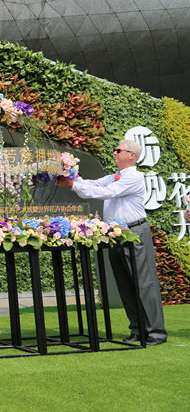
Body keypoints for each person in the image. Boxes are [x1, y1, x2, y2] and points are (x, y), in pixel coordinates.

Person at [58, 140, 167, 345]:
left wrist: (74, 184)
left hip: (134, 231)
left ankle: (156, 332)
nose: (114, 153)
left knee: (144, 283)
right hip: (115, 234)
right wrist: (72, 179)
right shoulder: (114, 176)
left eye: (119, 150)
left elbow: (105, 192)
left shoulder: (133, 177)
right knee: (125, 284)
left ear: (131, 155)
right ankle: (137, 329)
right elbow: (93, 185)